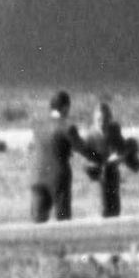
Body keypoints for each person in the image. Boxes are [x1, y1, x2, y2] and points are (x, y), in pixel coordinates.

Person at [30, 90, 87, 223]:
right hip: (58, 177)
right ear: (66, 107)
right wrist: (99, 158)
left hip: (37, 176)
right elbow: (83, 148)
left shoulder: (38, 126)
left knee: (38, 222)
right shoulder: (66, 126)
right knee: (63, 220)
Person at [86, 97, 139, 218]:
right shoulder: (91, 136)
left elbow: (121, 148)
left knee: (115, 211)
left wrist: (127, 154)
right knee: (104, 211)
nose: (102, 122)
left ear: (110, 119)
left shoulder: (114, 130)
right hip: (99, 178)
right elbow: (90, 161)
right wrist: (106, 162)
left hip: (113, 175)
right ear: (94, 120)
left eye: (105, 119)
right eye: (99, 119)